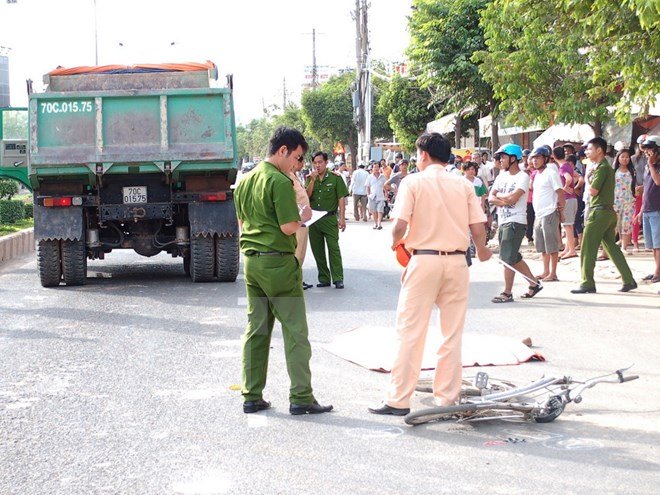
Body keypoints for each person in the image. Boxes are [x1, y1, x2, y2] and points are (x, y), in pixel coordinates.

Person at [368, 132, 491, 417]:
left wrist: (394, 242)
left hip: (424, 261)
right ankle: (446, 399)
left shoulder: (412, 181)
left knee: (410, 331)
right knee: (452, 334)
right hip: (458, 262)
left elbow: (399, 225)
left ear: (423, 154)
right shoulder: (463, 184)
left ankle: (399, 400)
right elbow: (478, 228)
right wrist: (483, 251)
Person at [234, 126, 332, 416]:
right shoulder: (278, 180)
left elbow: (241, 224)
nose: (297, 165)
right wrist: (304, 218)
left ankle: (251, 395)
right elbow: (288, 226)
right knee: (295, 332)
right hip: (278, 264)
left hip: (252, 262)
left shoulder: (246, 180)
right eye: (297, 157)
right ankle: (301, 397)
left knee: (257, 330)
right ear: (283, 151)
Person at [571, 137, 637, 294]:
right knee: (611, 247)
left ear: (599, 150)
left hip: (599, 212)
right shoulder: (603, 167)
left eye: (589, 149)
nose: (586, 151)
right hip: (607, 212)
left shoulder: (602, 168)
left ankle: (587, 282)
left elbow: (593, 191)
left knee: (587, 247)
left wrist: (587, 178)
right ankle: (628, 280)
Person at [489, 143, 542, 302]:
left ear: (513, 158)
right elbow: (491, 198)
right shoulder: (501, 176)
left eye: (503, 157)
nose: (501, 160)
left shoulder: (523, 177)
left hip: (516, 222)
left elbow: (514, 198)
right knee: (513, 256)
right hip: (503, 221)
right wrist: (506, 200)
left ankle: (507, 292)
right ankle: (534, 283)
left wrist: (502, 198)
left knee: (507, 258)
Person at [305, 151, 349, 289]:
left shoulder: (335, 178)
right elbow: (306, 196)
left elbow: (341, 198)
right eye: (315, 163)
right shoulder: (310, 178)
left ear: (326, 162)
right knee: (317, 250)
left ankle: (338, 278)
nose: (317, 165)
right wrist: (312, 180)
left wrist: (342, 218)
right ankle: (324, 277)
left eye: (320, 162)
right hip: (314, 220)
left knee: (333, 249)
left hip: (329, 219)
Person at [530, 147, 565, 282]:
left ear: (545, 159)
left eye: (537, 158)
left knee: (552, 245)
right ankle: (545, 271)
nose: (535, 161)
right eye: (533, 158)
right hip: (538, 213)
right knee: (542, 246)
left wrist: (561, 211)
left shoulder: (551, 173)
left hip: (550, 212)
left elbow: (560, 192)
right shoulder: (537, 175)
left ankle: (553, 273)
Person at [635, 135, 660, 284]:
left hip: (657, 209)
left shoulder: (654, 166)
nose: (647, 153)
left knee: (658, 244)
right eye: (645, 150)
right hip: (648, 209)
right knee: (652, 244)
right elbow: (646, 190)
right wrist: (641, 210)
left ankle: (658, 271)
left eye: (650, 150)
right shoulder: (647, 166)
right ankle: (656, 269)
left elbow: (657, 181)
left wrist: (651, 165)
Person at [289, 153, 313, 290]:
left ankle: (298, 279)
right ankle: (293, 281)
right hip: (297, 220)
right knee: (296, 251)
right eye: (300, 161)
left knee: (302, 251)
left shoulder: (296, 177)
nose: (302, 165)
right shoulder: (287, 177)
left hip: (305, 221)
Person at [555, 146, 581, 260]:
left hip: (567, 199)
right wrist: (573, 187)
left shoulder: (562, 168)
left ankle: (571, 250)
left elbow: (569, 178)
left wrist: (565, 187)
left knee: (568, 225)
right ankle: (568, 248)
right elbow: (578, 177)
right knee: (567, 225)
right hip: (572, 198)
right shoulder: (567, 166)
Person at [613, 149, 637, 254]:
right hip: (615, 201)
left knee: (626, 224)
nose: (625, 159)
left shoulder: (632, 171)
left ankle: (624, 247)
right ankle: (611, 246)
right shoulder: (614, 171)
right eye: (622, 156)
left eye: (627, 157)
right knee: (615, 224)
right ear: (618, 158)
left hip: (629, 201)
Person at [631, 135, 649, 251]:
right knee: (636, 215)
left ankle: (649, 242)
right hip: (637, 190)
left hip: (649, 188)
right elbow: (631, 175)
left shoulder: (653, 158)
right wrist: (635, 187)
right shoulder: (632, 159)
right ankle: (635, 241)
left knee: (649, 215)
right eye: (642, 144)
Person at [366, 163, 387, 230]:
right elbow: (367, 186)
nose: (376, 168)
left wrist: (386, 193)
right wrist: (368, 195)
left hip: (380, 196)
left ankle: (379, 224)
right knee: (374, 211)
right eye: (375, 167)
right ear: (372, 168)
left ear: (379, 168)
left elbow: (385, 185)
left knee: (380, 210)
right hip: (372, 196)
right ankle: (375, 223)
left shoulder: (382, 176)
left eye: (377, 167)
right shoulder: (369, 177)